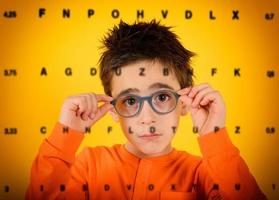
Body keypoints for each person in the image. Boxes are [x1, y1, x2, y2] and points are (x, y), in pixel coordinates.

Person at [25, 19, 267, 199]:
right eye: (130, 101)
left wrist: (215, 136)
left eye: (162, 96)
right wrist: (64, 136)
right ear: (112, 108)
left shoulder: (201, 174)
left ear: (184, 101)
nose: (147, 118)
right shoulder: (89, 166)